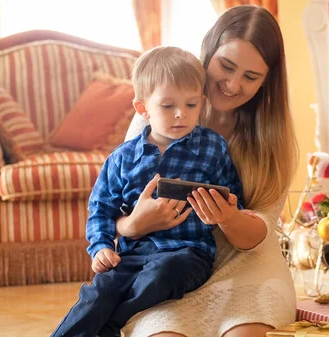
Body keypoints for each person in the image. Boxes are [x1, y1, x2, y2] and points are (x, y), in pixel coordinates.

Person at [117, 5, 299, 337]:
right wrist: (134, 225)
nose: (231, 84)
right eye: (226, 66)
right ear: (208, 51)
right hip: (168, 265)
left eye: (250, 77)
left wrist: (229, 219)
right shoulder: (158, 112)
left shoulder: (274, 136)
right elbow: (113, 211)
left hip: (248, 267)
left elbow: (261, 231)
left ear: (267, 81)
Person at [51, 46, 243, 337]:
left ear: (202, 103)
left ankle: (113, 324)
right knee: (99, 290)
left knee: (163, 274)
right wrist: (101, 247)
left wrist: (227, 208)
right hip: (133, 253)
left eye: (191, 105)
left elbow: (233, 196)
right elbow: (101, 209)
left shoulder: (212, 146)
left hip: (188, 253)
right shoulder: (123, 158)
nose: (181, 115)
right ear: (143, 109)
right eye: (168, 106)